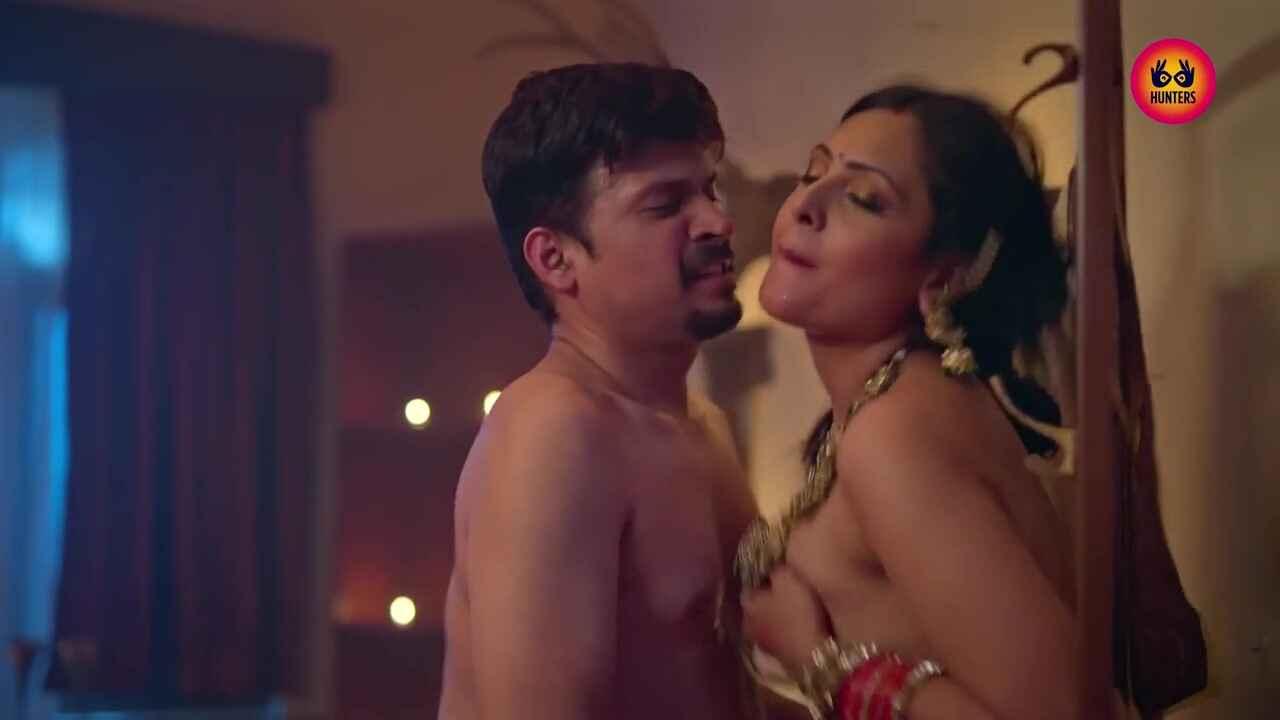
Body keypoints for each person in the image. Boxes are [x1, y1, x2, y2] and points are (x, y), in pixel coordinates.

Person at [737, 85, 1081, 719]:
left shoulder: (894, 432)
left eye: (864, 199)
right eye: (814, 173)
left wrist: (813, 657)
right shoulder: (889, 401)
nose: (806, 205)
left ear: (943, 276)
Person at [439, 63, 758, 719]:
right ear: (555, 259)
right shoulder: (554, 433)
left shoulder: (702, 424)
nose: (717, 222)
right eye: (665, 205)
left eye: (710, 190)